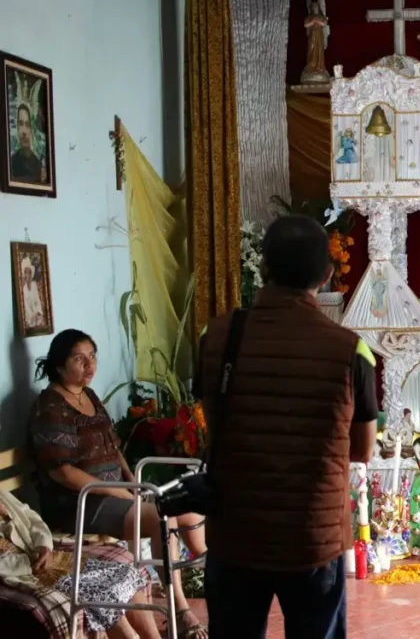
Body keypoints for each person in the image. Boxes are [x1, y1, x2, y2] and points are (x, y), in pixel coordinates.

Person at [199, 214, 377, 639]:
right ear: (328, 275)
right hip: (312, 538)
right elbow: (362, 451)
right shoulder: (351, 350)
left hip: (236, 533)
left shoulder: (217, 335)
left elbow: (215, 422)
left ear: (264, 270)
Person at [28, 329, 208, 639]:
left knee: (187, 509)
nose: (89, 364)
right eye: (78, 358)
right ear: (59, 365)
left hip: (118, 495)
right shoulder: (51, 406)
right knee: (160, 520)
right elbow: (63, 473)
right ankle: (181, 611)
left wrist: (132, 482)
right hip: (80, 504)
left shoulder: (89, 396)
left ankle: (208, 576)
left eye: (92, 356)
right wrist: (122, 493)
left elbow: (114, 450)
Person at [0, 489, 163, 639]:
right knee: (100, 595)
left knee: (124, 573)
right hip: (26, 571)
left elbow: (31, 517)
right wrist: (32, 560)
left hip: (48, 556)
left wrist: (43, 545)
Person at [10, 103, 43, 182]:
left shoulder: (38, 165)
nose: (24, 131)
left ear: (31, 129)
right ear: (17, 128)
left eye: (27, 125)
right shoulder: (11, 163)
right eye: (21, 124)